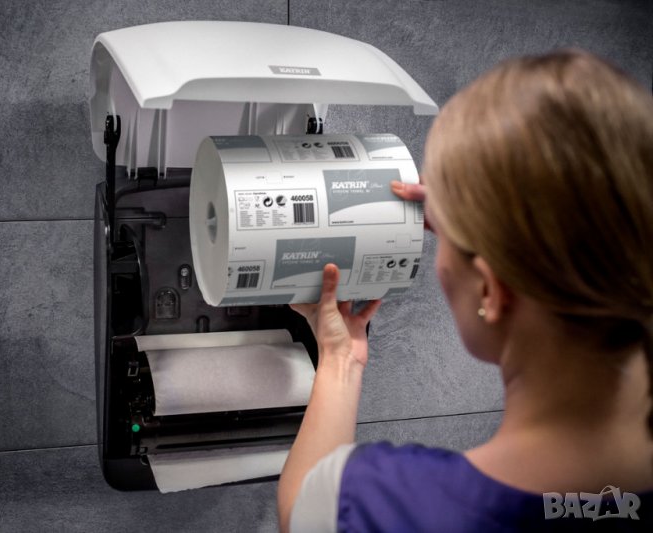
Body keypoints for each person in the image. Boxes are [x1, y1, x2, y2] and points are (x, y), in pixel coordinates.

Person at [277, 49, 653, 531]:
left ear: (490, 292)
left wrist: (339, 358)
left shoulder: (383, 505)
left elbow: (300, 507)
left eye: (447, 242)